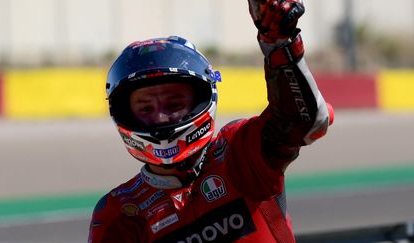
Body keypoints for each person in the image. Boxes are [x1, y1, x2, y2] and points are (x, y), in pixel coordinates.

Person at [88, 0, 334, 242]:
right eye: (145, 108)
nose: (161, 116)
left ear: (203, 99)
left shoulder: (238, 151)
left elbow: (306, 122)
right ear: (125, 113)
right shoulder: (119, 211)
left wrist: (280, 45)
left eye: (174, 104)